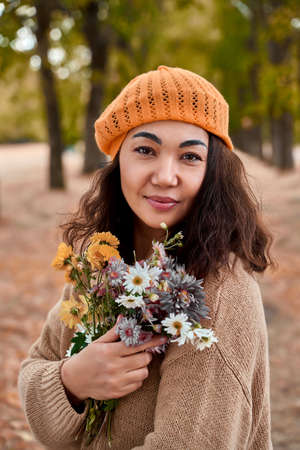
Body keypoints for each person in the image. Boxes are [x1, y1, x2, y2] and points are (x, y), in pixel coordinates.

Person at [18, 65, 274, 449]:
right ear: (118, 160)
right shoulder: (103, 268)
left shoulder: (217, 294)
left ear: (213, 171)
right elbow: (36, 372)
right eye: (145, 150)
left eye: (189, 157)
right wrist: (72, 381)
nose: (166, 175)